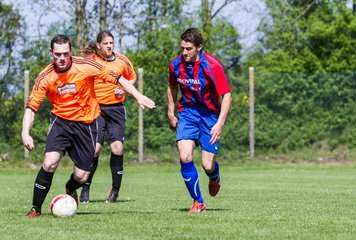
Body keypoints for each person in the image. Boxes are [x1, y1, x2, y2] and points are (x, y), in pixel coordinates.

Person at [22, 34, 155, 218]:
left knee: (82, 176)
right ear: (51, 53)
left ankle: (70, 187)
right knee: (50, 162)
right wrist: (25, 132)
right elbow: (31, 107)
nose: (62, 58)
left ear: (70, 52)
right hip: (60, 122)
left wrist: (138, 96)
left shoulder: (85, 66)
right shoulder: (45, 76)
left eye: (65, 54)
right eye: (57, 54)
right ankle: (35, 209)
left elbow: (118, 78)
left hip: (87, 124)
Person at [167, 28, 232, 213]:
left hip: (210, 115)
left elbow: (226, 95)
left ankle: (214, 178)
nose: (184, 53)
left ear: (199, 47)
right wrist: (171, 113)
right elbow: (172, 86)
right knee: (185, 156)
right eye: (182, 48)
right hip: (187, 113)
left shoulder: (212, 65)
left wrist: (219, 124)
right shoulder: (175, 65)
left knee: (207, 165)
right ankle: (198, 202)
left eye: (188, 49)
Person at [78, 31, 136, 203]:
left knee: (117, 149)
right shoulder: (91, 62)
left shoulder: (122, 60)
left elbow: (132, 78)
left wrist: (124, 88)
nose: (109, 46)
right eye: (106, 43)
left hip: (116, 110)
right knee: (94, 150)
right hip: (96, 109)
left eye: (112, 42)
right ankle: (85, 188)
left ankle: (115, 191)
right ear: (98, 45)